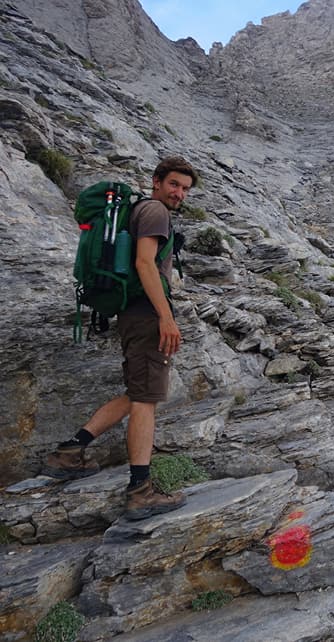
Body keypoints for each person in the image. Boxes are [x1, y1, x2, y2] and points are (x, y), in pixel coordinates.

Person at [42, 156, 198, 521]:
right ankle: (140, 490)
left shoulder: (138, 210)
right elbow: (145, 264)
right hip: (146, 314)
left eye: (185, 189)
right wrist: (166, 317)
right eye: (174, 184)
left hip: (132, 312)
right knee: (146, 399)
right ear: (157, 181)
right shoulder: (155, 212)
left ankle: (70, 451)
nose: (179, 193)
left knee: (136, 391)